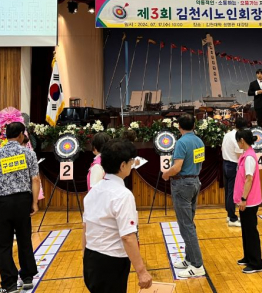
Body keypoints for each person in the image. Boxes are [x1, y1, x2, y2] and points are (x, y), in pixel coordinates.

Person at [82, 139, 152, 293]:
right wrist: (142, 271)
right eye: (130, 161)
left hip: (91, 257)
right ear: (122, 165)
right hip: (111, 262)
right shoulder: (122, 195)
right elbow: (127, 236)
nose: (132, 164)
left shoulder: (94, 190)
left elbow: (85, 227)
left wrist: (85, 257)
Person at [0, 122, 40, 293]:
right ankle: (27, 277)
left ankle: (9, 283)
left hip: (3, 204)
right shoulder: (28, 153)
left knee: (3, 244)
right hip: (23, 202)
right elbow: (35, 179)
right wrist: (34, 202)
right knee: (24, 239)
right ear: (21, 134)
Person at [162, 114, 206, 278]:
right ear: (194, 126)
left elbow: (177, 167)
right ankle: (189, 259)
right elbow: (199, 162)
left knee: (186, 226)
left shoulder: (181, 142)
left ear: (179, 126)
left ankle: (197, 265)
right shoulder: (199, 141)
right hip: (195, 182)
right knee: (189, 223)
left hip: (182, 184)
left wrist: (166, 174)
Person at [234, 128, 262, 273]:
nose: (237, 143)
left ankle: (257, 263)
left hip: (249, 201)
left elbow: (249, 179)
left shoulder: (249, 158)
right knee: (246, 230)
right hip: (246, 200)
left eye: (237, 141)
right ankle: (248, 257)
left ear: (242, 140)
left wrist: (243, 199)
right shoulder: (246, 154)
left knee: (251, 231)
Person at [222, 117, 248, 227]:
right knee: (232, 193)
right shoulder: (238, 137)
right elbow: (239, 155)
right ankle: (232, 218)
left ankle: (229, 215)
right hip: (233, 165)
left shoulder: (227, 134)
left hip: (225, 163)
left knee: (228, 191)